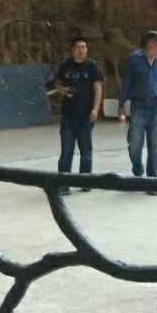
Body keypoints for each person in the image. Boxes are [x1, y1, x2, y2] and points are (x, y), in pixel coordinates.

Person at [118, 31, 157, 189]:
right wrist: (121, 106)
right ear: (149, 42)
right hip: (138, 106)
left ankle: (152, 181)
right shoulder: (134, 59)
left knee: (154, 146)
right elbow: (126, 83)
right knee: (134, 144)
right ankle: (137, 170)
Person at [53, 36, 103, 196]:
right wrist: (62, 90)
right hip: (68, 115)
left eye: (84, 47)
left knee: (86, 150)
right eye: (78, 47)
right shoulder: (65, 66)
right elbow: (57, 84)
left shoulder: (93, 67)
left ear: (87, 50)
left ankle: (85, 181)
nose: (81, 50)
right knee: (67, 150)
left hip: (86, 115)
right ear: (72, 49)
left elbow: (97, 89)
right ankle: (64, 183)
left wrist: (95, 109)